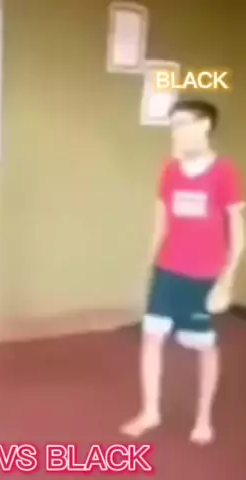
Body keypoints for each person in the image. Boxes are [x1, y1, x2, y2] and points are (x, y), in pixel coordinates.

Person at [121, 99, 244, 445]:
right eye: (173, 125)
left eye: (183, 123)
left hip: (203, 276)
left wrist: (227, 280)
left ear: (204, 126)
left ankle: (203, 419)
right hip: (168, 271)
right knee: (152, 338)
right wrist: (149, 267)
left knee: (204, 346)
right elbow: (160, 223)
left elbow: (238, 231)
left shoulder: (225, 172)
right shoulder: (170, 170)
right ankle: (150, 411)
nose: (175, 132)